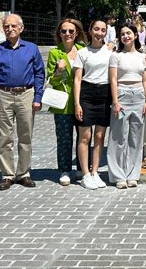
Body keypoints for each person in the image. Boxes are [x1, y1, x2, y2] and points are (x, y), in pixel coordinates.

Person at [0, 14, 45, 191]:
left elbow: (39, 74)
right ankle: (7, 175)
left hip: (26, 94)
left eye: (13, 26)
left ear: (21, 28)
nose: (10, 29)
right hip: (3, 94)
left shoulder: (31, 49)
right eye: (7, 27)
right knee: (4, 137)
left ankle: (24, 173)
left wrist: (37, 98)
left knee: (25, 136)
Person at [107, 24, 146, 189]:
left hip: (139, 97)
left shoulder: (142, 56)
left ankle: (133, 174)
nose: (126, 36)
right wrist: (116, 101)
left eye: (129, 33)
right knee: (119, 137)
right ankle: (118, 176)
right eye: (123, 34)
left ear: (135, 36)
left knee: (135, 137)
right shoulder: (116, 56)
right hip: (123, 97)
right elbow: (113, 80)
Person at [72, 19, 113, 190]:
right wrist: (77, 103)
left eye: (103, 30)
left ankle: (95, 172)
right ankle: (85, 173)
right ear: (90, 31)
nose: (99, 33)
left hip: (105, 94)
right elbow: (77, 79)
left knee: (99, 137)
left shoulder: (111, 52)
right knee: (85, 136)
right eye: (96, 29)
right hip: (87, 94)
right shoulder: (83, 53)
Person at [46, 18, 87, 186]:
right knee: (64, 138)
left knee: (84, 137)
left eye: (71, 31)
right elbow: (51, 81)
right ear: (59, 34)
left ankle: (82, 168)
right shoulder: (55, 53)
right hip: (62, 102)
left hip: (82, 100)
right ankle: (64, 169)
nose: (67, 34)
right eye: (64, 31)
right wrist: (59, 70)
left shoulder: (84, 50)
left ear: (77, 33)